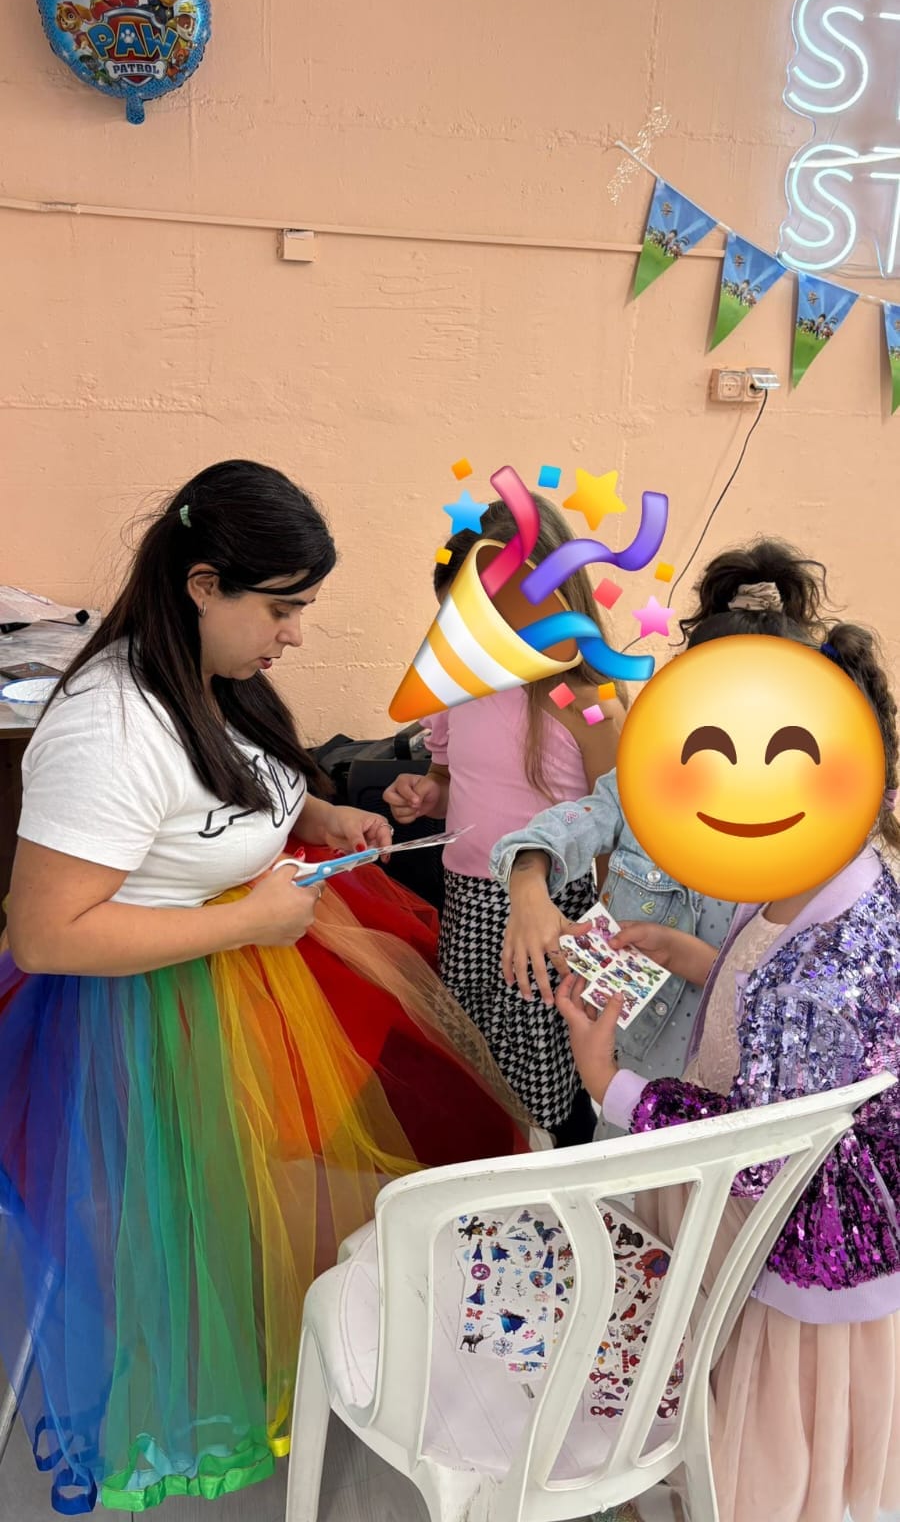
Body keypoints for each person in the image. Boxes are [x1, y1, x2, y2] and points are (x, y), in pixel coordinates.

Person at [0, 460, 533, 1516]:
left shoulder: (214, 676)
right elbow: (48, 933)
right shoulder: (108, 726)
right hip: (148, 1004)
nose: (294, 635)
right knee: (181, 1213)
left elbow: (223, 791)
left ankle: (330, 1340)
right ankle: (198, 1409)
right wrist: (249, 917)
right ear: (203, 585)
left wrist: (315, 819)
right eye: (283, 608)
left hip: (246, 959)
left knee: (274, 1174)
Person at [556, 613, 900, 1522]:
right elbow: (775, 1009)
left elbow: (763, 1146)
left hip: (785, 1239)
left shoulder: (828, 964)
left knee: (755, 1466)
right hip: (756, 1202)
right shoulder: (814, 871)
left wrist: (609, 1083)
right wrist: (688, 953)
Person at [491, 539, 830, 1091]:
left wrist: (690, 958)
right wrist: (529, 884)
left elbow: (801, 999)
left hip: (733, 1085)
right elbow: (565, 827)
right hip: (628, 1067)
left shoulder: (818, 833)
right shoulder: (642, 787)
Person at [384, 495, 627, 1144]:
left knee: (548, 1084)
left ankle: (562, 1177)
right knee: (476, 1069)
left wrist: (603, 941)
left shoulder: (587, 699)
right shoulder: (455, 685)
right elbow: (448, 778)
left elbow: (616, 827)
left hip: (550, 917)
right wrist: (425, 793)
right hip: (466, 903)